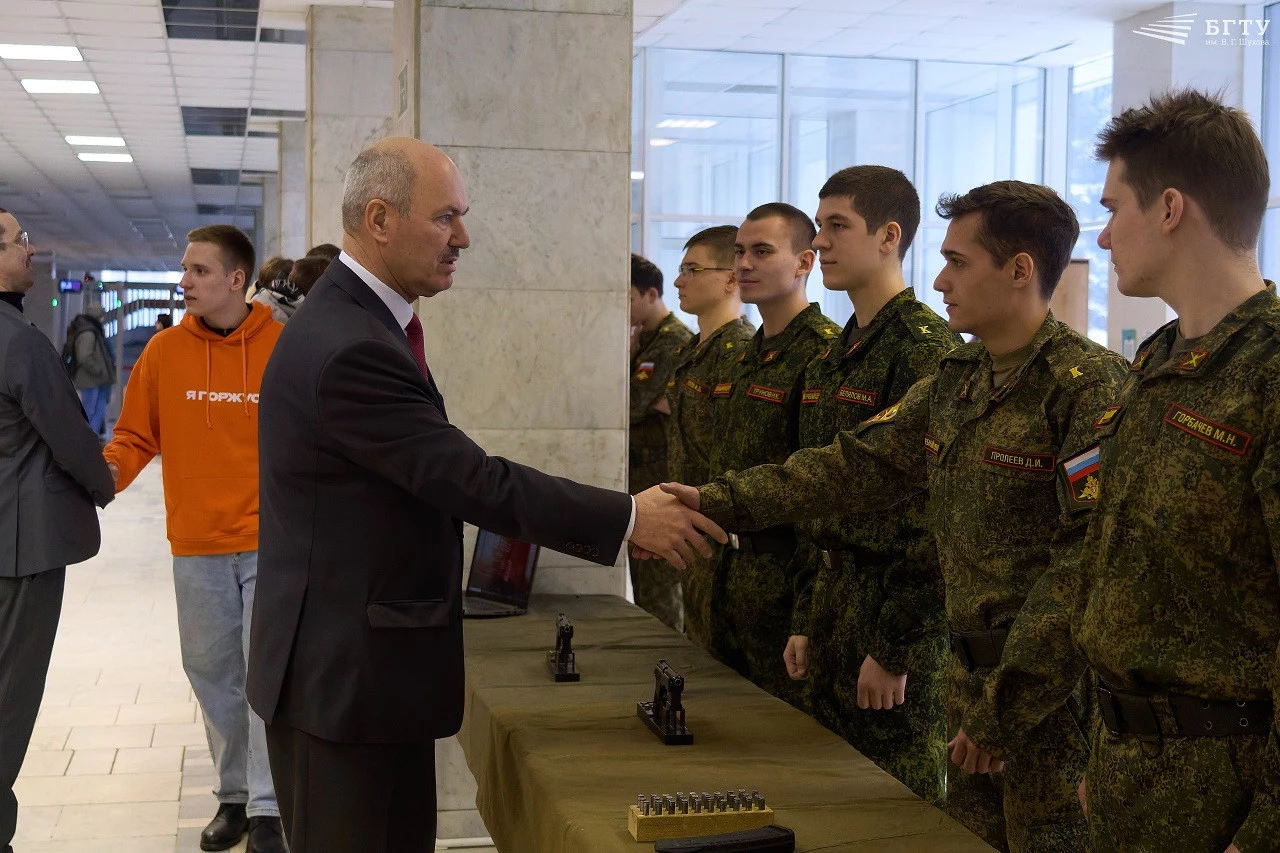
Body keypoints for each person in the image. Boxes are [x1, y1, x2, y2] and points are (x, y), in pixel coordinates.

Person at [247, 137, 726, 853]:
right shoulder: (350, 343)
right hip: (342, 682)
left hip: (362, 672)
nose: (463, 238)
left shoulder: (360, 320)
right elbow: (468, 478)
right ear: (379, 220)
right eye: (445, 218)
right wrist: (628, 517)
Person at [663, 181, 1129, 852]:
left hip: (1048, 701)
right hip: (969, 684)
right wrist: (713, 500)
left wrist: (1003, 706)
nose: (940, 280)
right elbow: (852, 464)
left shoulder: (1088, 388)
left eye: (959, 262)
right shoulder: (961, 376)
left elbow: (1081, 567)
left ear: (1020, 269)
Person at [962, 89, 1278, 853]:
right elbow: (1106, 565)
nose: (1101, 236)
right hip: (1128, 773)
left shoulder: (1268, 372)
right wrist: (1108, 759)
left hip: (1226, 792)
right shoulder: (1159, 360)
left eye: (1112, 209)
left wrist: (1268, 826)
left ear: (1170, 208)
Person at [104, 225, 286, 853]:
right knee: (212, 674)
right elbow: (134, 437)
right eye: (184, 269)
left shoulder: (282, 346)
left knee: (263, 674)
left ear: (237, 279)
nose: (184, 281)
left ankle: (268, 806)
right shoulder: (163, 352)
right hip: (196, 543)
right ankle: (233, 795)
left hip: (268, 542)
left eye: (199, 271)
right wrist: (94, 482)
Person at [786, 166, 959, 805]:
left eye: (838, 226)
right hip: (834, 607)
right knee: (829, 801)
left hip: (894, 623)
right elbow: (818, 495)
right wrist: (807, 617)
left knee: (895, 809)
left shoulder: (924, 349)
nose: (820, 241)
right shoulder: (836, 354)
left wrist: (894, 647)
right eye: (818, 225)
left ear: (889, 236)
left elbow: (939, 518)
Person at [0, 210, 115, 853]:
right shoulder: (20, 341)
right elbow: (69, 436)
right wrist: (104, 484)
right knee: (9, 699)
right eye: (18, 241)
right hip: (21, 547)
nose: (30, 248)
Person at [701, 202, 841, 707]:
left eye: (762, 252)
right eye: (740, 252)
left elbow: (825, 496)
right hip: (730, 578)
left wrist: (807, 614)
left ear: (804, 262)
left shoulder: (826, 353)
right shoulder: (743, 355)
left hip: (787, 591)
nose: (744, 264)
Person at [663, 225, 754, 647]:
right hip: (691, 527)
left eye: (691, 270)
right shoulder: (694, 349)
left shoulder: (741, 352)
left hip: (723, 535)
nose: (679, 281)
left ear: (731, 279)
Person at [629, 252, 693, 630]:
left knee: (659, 587)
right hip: (641, 470)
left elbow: (630, 404)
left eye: (627, 297)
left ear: (651, 294)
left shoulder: (673, 340)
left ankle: (665, 656)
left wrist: (645, 398)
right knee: (643, 583)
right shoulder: (644, 339)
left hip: (660, 472)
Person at [66, 301, 116, 440]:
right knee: (90, 410)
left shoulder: (90, 330)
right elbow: (84, 357)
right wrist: (99, 370)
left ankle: (91, 437)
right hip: (91, 379)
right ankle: (87, 438)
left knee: (97, 409)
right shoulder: (88, 333)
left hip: (96, 379)